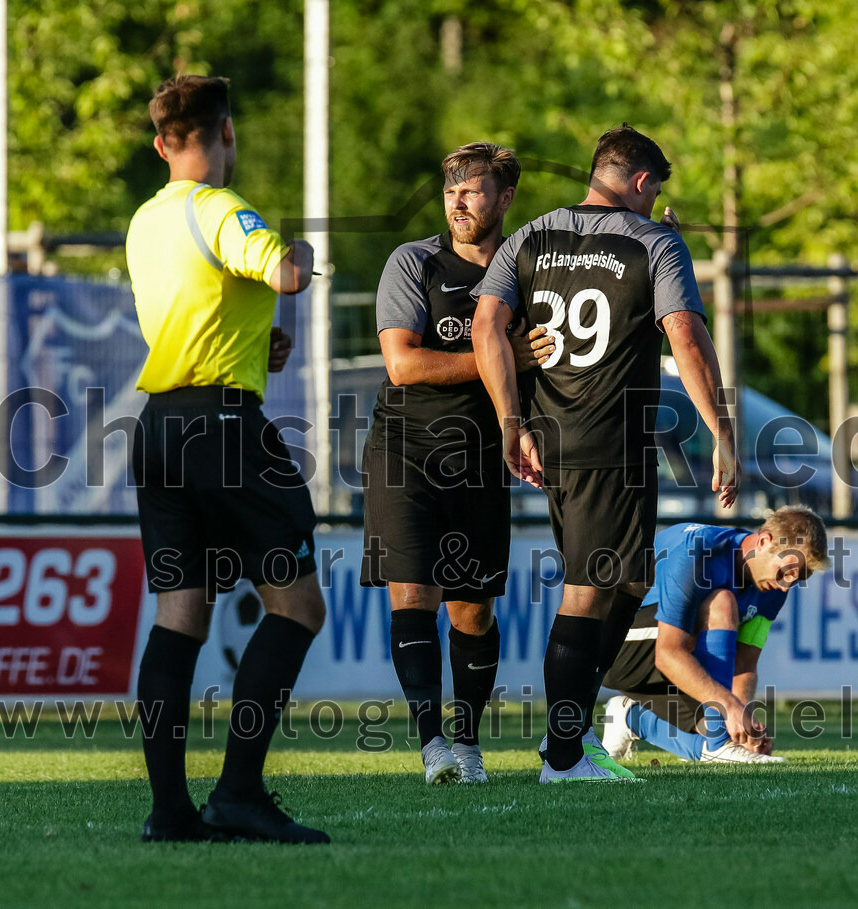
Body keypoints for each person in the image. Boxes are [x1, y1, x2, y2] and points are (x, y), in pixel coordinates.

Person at [472, 124, 739, 782]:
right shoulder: (654, 242)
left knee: (626, 578)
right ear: (643, 183)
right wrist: (722, 432)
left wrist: (512, 419)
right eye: (655, 194)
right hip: (611, 441)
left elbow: (486, 326)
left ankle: (572, 731)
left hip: (554, 435)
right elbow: (686, 337)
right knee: (589, 592)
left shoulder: (530, 235)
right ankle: (563, 753)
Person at [126, 75, 328, 843]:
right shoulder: (220, 206)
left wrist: (254, 342)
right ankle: (239, 790)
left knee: (179, 613)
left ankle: (170, 811)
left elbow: (196, 309)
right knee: (300, 605)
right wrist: (301, 252)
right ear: (227, 133)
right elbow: (284, 272)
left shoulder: (145, 220)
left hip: (162, 428)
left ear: (159, 144)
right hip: (223, 430)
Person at [360, 143, 547, 784]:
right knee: (413, 593)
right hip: (403, 453)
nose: (459, 202)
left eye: (472, 190)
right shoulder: (414, 262)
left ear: (505, 198)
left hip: (479, 457)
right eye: (451, 192)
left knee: (472, 609)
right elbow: (403, 366)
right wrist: (504, 357)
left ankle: (467, 744)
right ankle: (432, 744)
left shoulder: (528, 273)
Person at [600, 506, 828, 764]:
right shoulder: (700, 553)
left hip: (667, 654)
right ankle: (720, 743)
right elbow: (668, 653)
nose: (787, 584)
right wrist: (729, 707)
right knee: (722, 601)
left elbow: (744, 663)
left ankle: (630, 718)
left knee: (708, 735)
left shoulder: (776, 587)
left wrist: (743, 729)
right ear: (764, 541)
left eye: (800, 577)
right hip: (610, 649)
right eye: (787, 570)